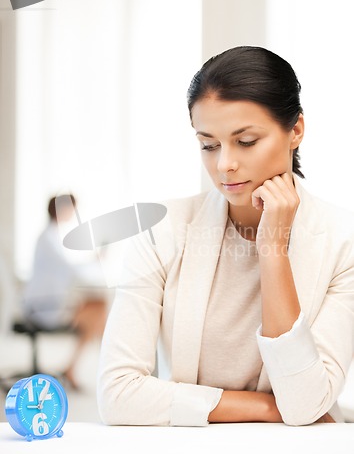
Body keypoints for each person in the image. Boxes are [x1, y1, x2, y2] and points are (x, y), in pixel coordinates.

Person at [97, 46, 354, 426]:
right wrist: (267, 409)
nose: (224, 164)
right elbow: (117, 394)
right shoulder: (163, 232)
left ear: (295, 130)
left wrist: (273, 250)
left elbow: (303, 403)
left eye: (246, 141)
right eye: (209, 145)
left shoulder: (342, 242)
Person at [22, 194, 108, 389]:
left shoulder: (51, 236)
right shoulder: (48, 238)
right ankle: (99, 364)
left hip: (49, 303)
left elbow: (68, 270)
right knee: (99, 309)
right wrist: (95, 260)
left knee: (98, 308)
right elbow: (72, 270)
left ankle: (78, 367)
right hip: (44, 307)